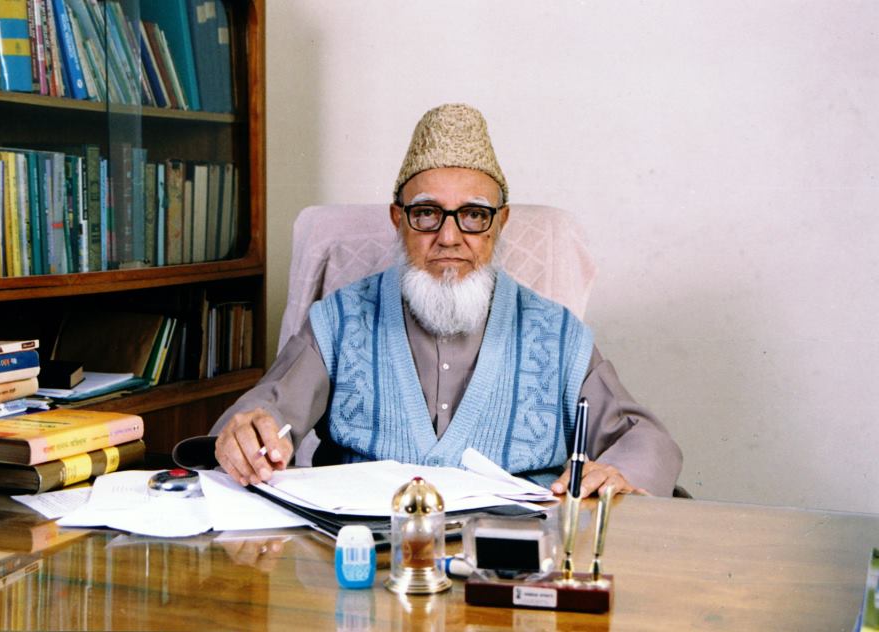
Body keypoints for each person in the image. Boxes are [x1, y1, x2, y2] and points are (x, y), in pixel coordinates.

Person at [175, 103, 682, 497]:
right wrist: (246, 435)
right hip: (364, 562)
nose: (449, 237)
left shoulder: (557, 333)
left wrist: (617, 474)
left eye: (474, 215)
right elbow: (265, 409)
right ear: (398, 220)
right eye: (426, 214)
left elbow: (644, 439)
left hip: (507, 564)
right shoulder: (340, 319)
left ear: (500, 224)